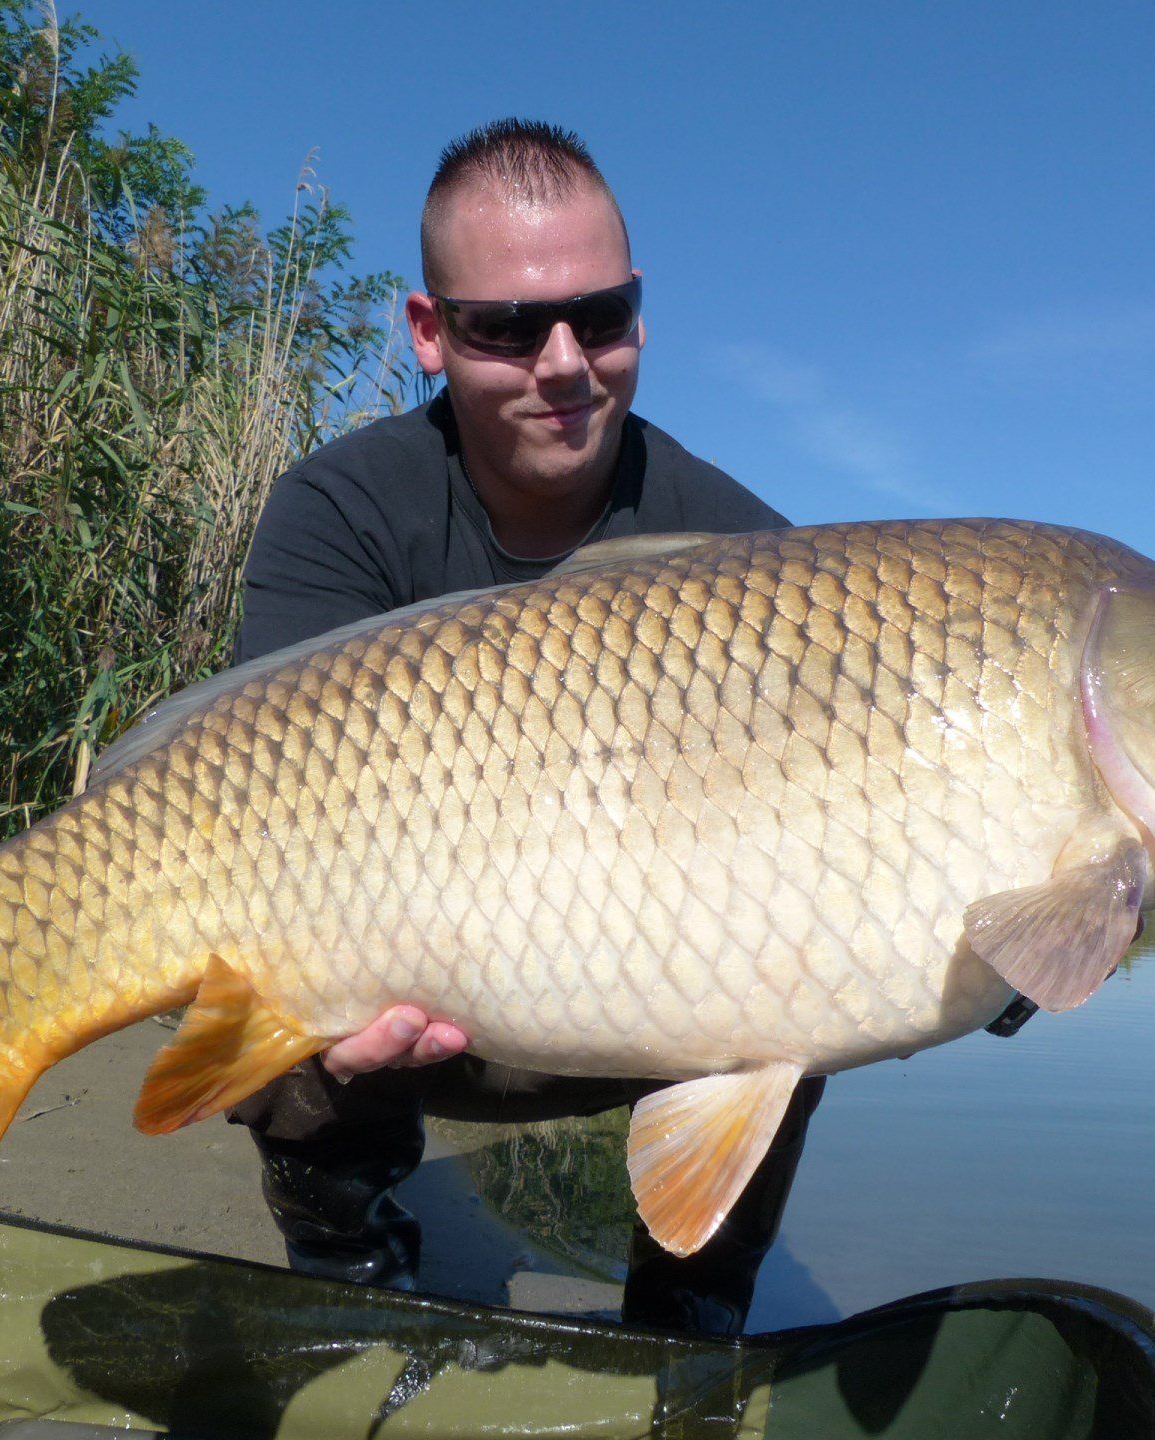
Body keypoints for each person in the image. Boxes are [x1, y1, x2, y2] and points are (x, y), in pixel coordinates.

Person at [226, 118, 825, 1336]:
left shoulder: (751, 553)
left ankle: (687, 1312)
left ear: (640, 316)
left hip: (642, 997)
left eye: (599, 317)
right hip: (394, 1003)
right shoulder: (341, 507)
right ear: (431, 334)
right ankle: (349, 1258)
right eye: (507, 326)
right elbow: (251, 801)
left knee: (810, 975)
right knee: (255, 925)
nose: (564, 363)